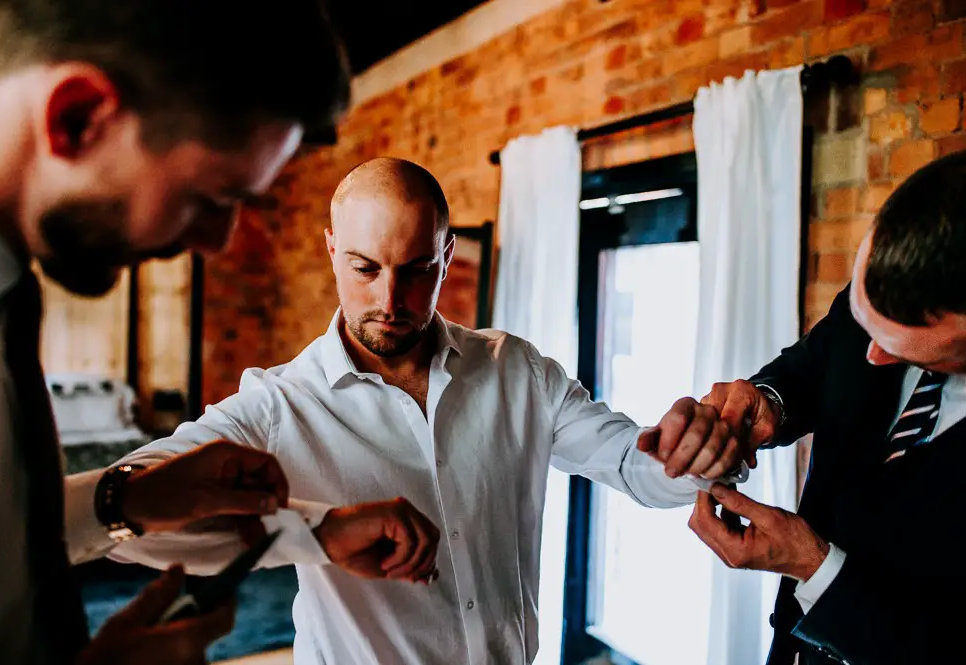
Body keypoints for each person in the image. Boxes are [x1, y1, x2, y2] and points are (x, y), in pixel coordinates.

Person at [106, 157, 752, 665]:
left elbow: (630, 462)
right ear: (331, 250)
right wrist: (319, 529)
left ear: (446, 256)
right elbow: (133, 518)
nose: (390, 298)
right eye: (365, 268)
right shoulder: (278, 405)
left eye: (416, 270)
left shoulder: (516, 371)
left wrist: (691, 454)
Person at [0, 3, 439, 665]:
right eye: (212, 198)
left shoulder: (2, 296)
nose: (216, 244)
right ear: (77, 118)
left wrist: (126, 498)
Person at [686, 151, 966, 665]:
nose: (874, 355)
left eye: (898, 343)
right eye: (865, 321)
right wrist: (768, 401)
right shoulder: (887, 294)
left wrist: (813, 565)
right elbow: (815, 366)